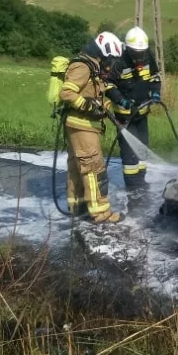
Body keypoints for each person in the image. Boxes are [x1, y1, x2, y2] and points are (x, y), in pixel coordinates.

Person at [58, 32, 123, 224]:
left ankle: (78, 207)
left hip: (83, 125)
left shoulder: (93, 67)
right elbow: (67, 92)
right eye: (109, 58)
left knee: (78, 167)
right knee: (93, 168)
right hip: (82, 126)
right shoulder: (83, 67)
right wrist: (86, 106)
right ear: (102, 52)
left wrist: (106, 109)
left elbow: (94, 94)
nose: (110, 63)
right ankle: (101, 214)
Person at [105, 26, 161, 188]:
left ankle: (141, 181)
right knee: (130, 156)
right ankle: (133, 187)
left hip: (142, 115)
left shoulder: (148, 58)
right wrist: (121, 100)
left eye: (142, 53)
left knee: (142, 150)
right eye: (136, 54)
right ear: (128, 50)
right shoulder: (118, 62)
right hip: (125, 118)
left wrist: (155, 92)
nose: (140, 58)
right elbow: (107, 85)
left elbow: (155, 78)